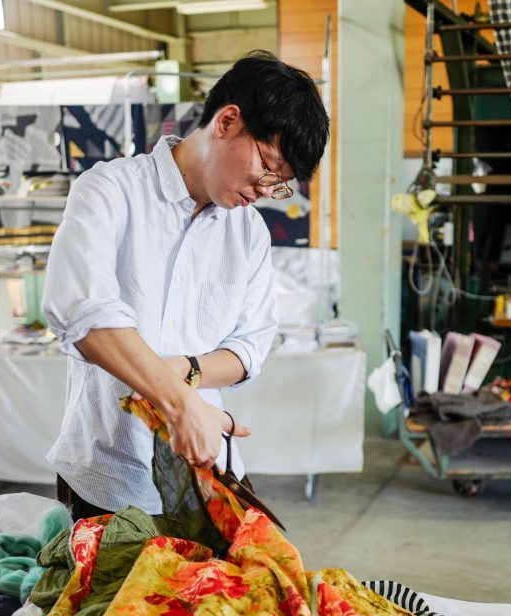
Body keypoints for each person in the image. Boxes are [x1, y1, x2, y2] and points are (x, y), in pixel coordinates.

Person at [42, 51, 329, 520]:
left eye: (280, 185)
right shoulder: (110, 191)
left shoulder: (248, 232)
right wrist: (177, 404)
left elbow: (249, 347)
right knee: (117, 594)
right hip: (108, 473)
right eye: (267, 167)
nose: (265, 189)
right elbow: (81, 310)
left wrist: (185, 371)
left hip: (208, 463)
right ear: (228, 122)